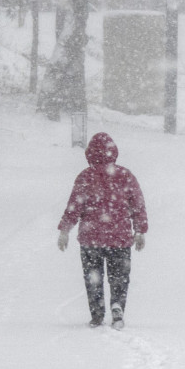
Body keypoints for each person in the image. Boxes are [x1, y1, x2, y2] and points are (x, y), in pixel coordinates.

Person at [58, 132, 147, 329]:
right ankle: (117, 305)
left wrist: (65, 230)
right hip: (120, 237)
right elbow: (137, 206)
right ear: (113, 152)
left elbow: (74, 207)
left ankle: (97, 313)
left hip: (91, 239)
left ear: (89, 154)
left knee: (93, 277)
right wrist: (140, 230)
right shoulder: (125, 176)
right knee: (120, 277)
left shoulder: (85, 177)